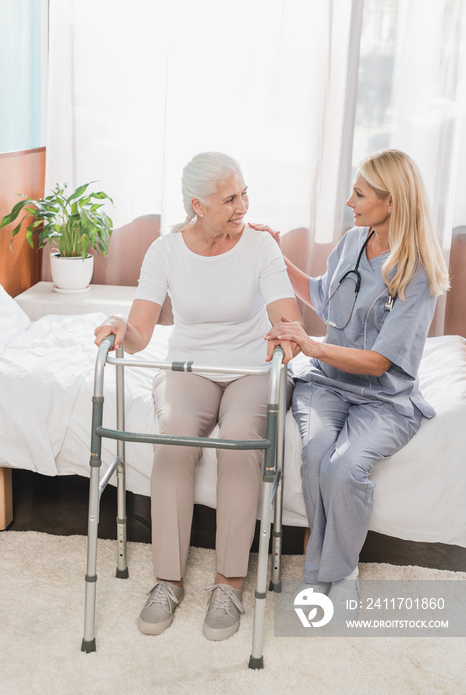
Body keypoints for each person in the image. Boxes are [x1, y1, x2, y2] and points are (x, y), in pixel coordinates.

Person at [94, 151, 303, 640]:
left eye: (244, 192)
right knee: (174, 442)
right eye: (230, 197)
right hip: (189, 367)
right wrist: (119, 328)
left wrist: (287, 335)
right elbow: (142, 330)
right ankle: (168, 580)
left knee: (241, 443)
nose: (242, 205)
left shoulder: (261, 248)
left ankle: (228, 583)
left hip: (251, 368)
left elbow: (284, 313)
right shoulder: (165, 251)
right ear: (198, 204)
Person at [250, 148, 450, 620]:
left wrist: (313, 345)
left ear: (392, 201)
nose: (349, 201)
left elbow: (381, 362)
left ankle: (333, 573)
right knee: (316, 454)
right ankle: (330, 570)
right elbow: (322, 296)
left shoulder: (416, 270)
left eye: (359, 193)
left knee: (343, 470)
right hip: (327, 385)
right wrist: (277, 253)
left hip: (384, 400)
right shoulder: (353, 241)